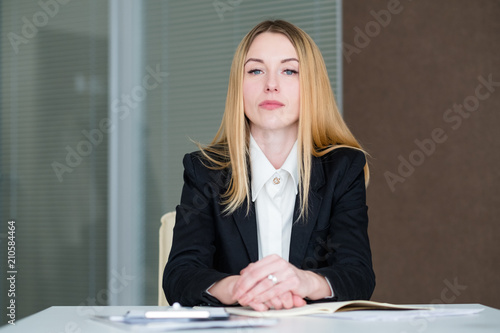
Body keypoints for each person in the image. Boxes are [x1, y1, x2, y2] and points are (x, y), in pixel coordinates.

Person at [163, 19, 375, 311]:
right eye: (256, 70)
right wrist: (238, 288)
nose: (271, 85)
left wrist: (303, 282)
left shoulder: (343, 168)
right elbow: (180, 276)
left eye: (289, 70)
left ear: (311, 85)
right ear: (240, 85)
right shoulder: (205, 170)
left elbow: (357, 275)